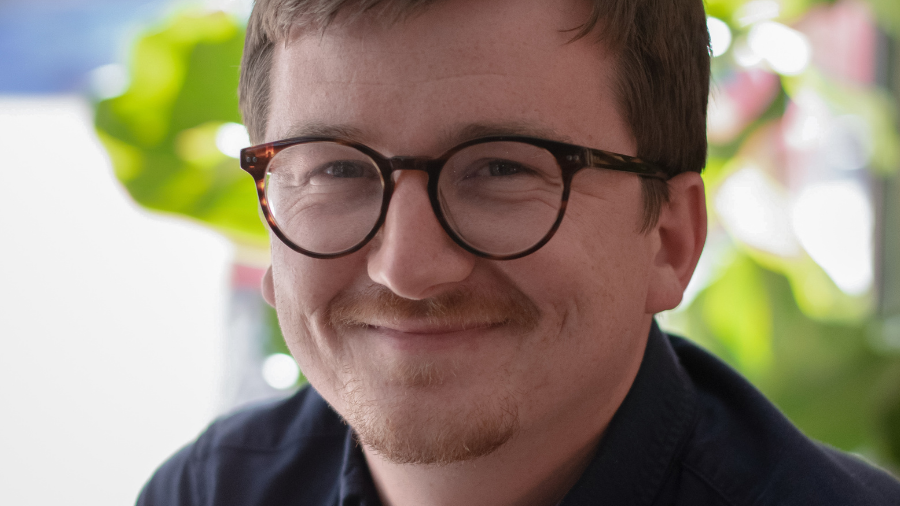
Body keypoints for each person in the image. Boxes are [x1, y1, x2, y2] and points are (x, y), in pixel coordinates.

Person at [138, 0, 900, 504]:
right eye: (336, 168)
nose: (404, 267)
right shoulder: (211, 490)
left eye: (502, 169)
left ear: (670, 240)